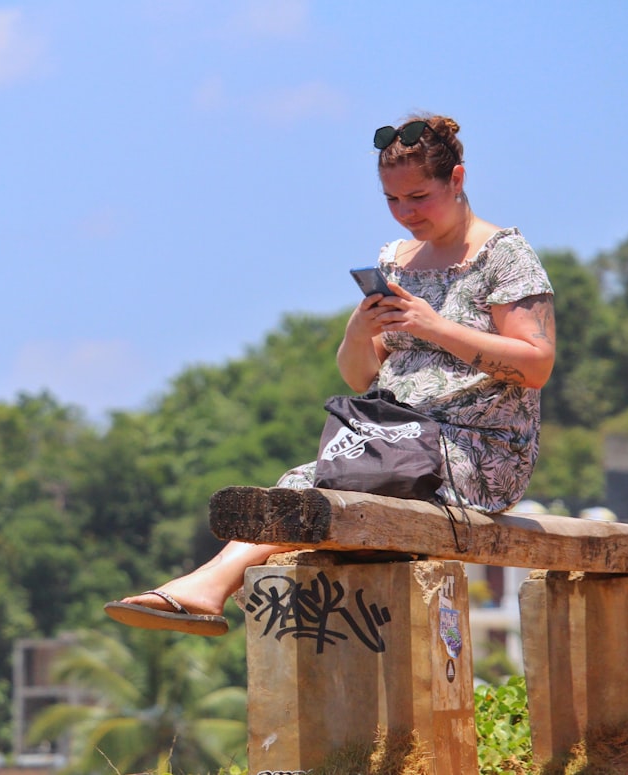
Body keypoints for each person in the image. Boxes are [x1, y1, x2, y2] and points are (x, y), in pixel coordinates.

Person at [104, 113, 556, 636]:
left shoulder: (505, 256)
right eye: (392, 200)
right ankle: (207, 588)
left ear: (456, 179)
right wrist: (358, 333)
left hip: (477, 450)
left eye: (418, 197)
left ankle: (207, 587)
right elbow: (361, 376)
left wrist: (433, 327)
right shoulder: (397, 261)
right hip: (395, 435)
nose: (405, 213)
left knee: (323, 483)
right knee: (302, 482)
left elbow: (536, 365)